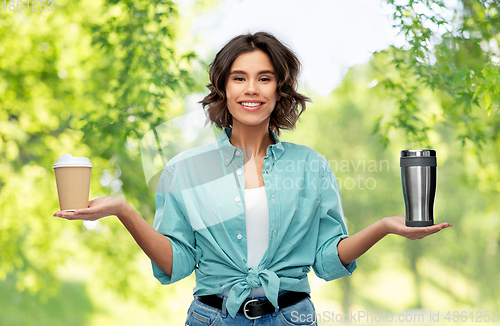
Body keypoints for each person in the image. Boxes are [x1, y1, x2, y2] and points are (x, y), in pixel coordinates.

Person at [54, 32, 451, 325]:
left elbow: (327, 262)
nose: (251, 89)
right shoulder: (187, 169)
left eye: (264, 78)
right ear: (223, 89)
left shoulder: (310, 166)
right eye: (239, 78)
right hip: (212, 317)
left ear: (280, 89)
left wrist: (383, 227)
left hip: (292, 317)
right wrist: (123, 210)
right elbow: (176, 265)